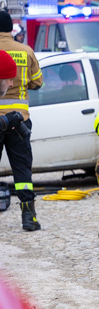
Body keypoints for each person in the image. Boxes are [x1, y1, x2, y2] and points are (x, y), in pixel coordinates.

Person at [0, 12, 43, 231]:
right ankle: (29, 217)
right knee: (22, 170)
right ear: (11, 28)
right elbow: (37, 82)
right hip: (20, 122)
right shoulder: (25, 51)